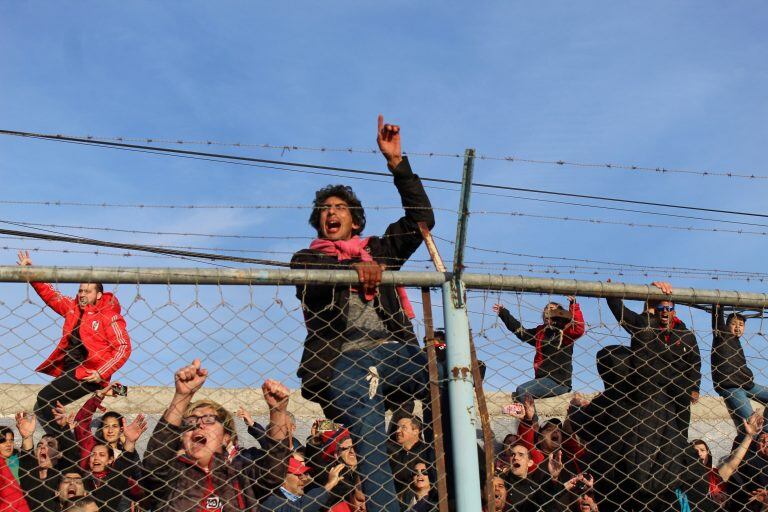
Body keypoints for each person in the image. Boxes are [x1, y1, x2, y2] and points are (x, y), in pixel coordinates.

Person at [290, 115, 434, 512]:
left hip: (393, 354)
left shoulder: (381, 251)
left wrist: (397, 164)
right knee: (367, 432)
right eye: (324, 209)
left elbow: (422, 221)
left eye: (339, 208)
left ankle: (452, 489)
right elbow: (311, 277)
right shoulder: (308, 258)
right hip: (344, 364)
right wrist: (353, 269)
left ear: (354, 219)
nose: (330, 213)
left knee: (448, 381)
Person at [605, 281, 705, 510]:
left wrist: (695, 386)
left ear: (675, 312)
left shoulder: (685, 335)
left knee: (678, 439)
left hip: (677, 395)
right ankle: (648, 490)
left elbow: (695, 363)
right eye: (660, 310)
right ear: (654, 311)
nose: (665, 314)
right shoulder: (645, 326)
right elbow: (622, 314)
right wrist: (611, 294)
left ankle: (674, 489)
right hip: (650, 395)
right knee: (648, 443)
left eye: (669, 309)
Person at [142, 358, 292, 510]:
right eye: (190, 423)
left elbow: (274, 472)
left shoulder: (240, 475)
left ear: (226, 437)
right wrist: (182, 397)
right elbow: (155, 462)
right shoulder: (172, 475)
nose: (199, 425)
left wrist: (278, 411)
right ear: (182, 437)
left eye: (209, 420)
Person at [17, 251, 131, 438]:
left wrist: (101, 372)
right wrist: (31, 271)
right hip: (71, 373)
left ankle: (67, 448)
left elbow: (123, 347)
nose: (82, 295)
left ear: (99, 295)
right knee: (50, 405)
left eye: (87, 291)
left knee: (44, 399)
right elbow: (51, 294)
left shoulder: (109, 316)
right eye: (80, 290)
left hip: (89, 375)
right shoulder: (73, 308)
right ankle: (66, 446)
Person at [493, 297, 585, 399]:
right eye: (546, 308)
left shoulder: (565, 330)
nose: (547, 311)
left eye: (552, 309)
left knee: (523, 390)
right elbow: (521, 332)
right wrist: (503, 313)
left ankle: (533, 415)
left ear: (559, 313)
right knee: (520, 395)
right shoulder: (540, 332)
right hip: (542, 380)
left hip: (559, 381)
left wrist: (574, 306)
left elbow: (578, 329)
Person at [712, 304, 768, 434]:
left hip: (747, 384)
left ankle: (765, 431)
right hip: (731, 386)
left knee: (757, 424)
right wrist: (718, 305)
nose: (738, 327)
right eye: (734, 324)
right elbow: (717, 321)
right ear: (727, 326)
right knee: (752, 421)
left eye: (741, 325)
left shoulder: (738, 343)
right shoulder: (722, 335)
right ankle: (762, 434)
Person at [692, 412, 763, 507]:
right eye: (694, 451)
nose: (699, 453)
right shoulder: (685, 477)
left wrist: (750, 436)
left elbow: (732, 464)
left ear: (708, 454)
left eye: (702, 450)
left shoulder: (714, 476)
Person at [261, 454, 345, 511]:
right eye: (299, 475)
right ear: (282, 477)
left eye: (305, 474)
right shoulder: (271, 499)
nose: (304, 479)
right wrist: (329, 485)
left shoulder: (300, 498)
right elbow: (298, 509)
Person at [388, 415, 434, 499]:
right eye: (397, 428)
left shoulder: (427, 453)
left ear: (415, 431)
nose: (397, 431)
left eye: (403, 428)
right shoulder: (391, 453)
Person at [1, 425, 31, 512]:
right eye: (3, 441)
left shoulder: (19, 461)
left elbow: (28, 454)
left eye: (11, 440)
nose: (8, 444)